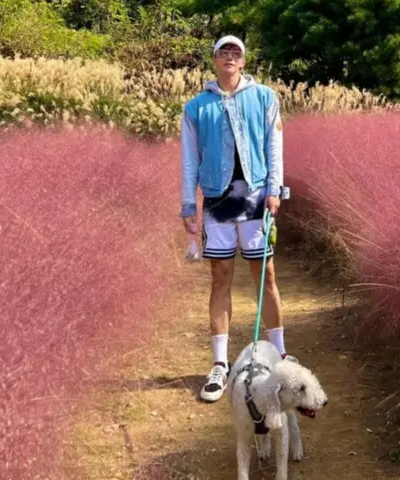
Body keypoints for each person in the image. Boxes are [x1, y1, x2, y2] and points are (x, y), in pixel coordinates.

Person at [180, 35, 295, 403]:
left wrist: (275, 189)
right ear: (213, 59)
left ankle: (278, 354)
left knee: (266, 274)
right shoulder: (196, 107)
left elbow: (273, 146)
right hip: (216, 200)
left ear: (243, 61)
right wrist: (188, 205)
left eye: (236, 53)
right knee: (220, 278)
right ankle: (219, 364)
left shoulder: (264, 98)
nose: (229, 57)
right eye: (223, 52)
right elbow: (188, 159)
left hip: (256, 196)